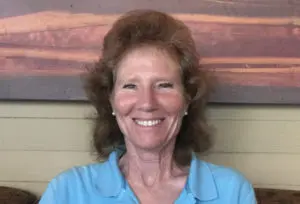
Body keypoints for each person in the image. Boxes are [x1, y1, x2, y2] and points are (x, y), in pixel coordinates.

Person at [39, 9, 257, 204]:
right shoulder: (67, 191)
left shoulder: (232, 192)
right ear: (111, 100)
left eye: (163, 85)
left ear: (187, 98)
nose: (147, 103)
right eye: (130, 85)